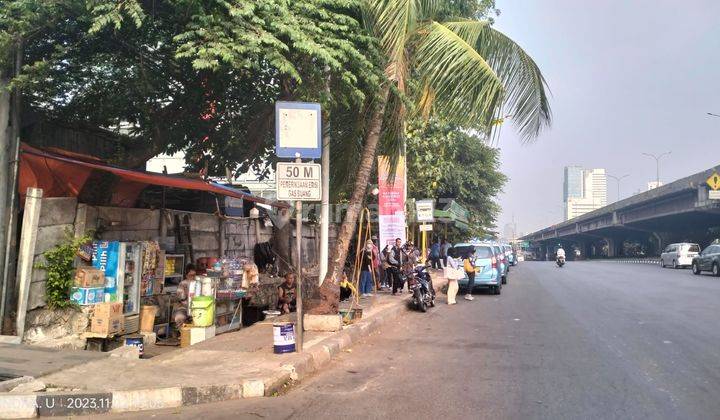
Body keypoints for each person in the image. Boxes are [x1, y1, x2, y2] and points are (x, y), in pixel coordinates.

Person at [173, 264, 197, 329]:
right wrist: (187, 294)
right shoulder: (183, 284)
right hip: (184, 308)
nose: (193, 277)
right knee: (179, 317)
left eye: (194, 275)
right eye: (191, 275)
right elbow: (181, 298)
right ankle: (183, 334)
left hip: (196, 308)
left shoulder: (197, 283)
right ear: (186, 275)